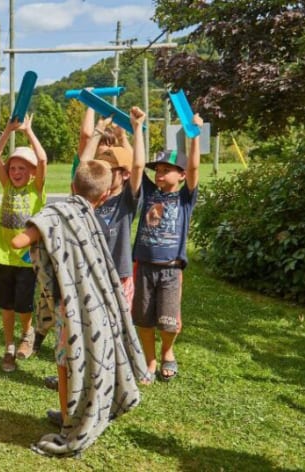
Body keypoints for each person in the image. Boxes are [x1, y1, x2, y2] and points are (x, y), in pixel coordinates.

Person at [12, 160, 148, 457]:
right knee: (83, 364)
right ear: (102, 197)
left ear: (73, 186)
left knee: (66, 365)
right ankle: (75, 413)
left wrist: (35, 233)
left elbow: (18, 239)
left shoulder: (57, 214)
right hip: (96, 307)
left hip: (71, 309)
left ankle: (69, 423)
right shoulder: (91, 218)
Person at [39, 107, 146, 389]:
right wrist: (97, 133)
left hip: (117, 279)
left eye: (111, 169)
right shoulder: (85, 199)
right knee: (82, 332)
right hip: (86, 279)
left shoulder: (128, 202)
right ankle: (75, 375)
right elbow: (82, 169)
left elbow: (138, 166)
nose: (103, 172)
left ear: (122, 175)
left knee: (112, 333)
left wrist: (136, 131)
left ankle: (109, 384)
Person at [132, 113, 204, 383]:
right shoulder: (150, 193)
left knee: (169, 321)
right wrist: (137, 129)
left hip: (171, 269)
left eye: (166, 170)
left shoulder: (185, 198)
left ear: (181, 175)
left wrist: (194, 135)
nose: (159, 174)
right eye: (158, 170)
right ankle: (150, 360)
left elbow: (196, 169)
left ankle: (168, 352)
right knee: (143, 318)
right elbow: (138, 167)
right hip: (145, 266)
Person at [0, 114, 47, 371]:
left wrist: (28, 132)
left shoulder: (37, 189)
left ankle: (27, 333)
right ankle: (9, 346)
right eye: (13, 168)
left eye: (22, 168)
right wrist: (8, 131)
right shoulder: (7, 187)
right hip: (5, 255)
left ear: (32, 172)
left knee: (23, 303)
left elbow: (43, 158)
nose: (15, 172)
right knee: (6, 303)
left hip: (27, 256)